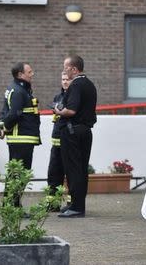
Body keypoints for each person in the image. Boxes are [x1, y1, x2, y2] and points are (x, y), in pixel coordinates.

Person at [54, 55, 97, 218]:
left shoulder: (76, 85)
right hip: (85, 131)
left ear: (74, 69)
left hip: (72, 132)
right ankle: (76, 204)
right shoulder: (90, 85)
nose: (64, 70)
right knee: (81, 169)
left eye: (66, 67)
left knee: (73, 169)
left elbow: (71, 110)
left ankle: (77, 207)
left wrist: (58, 111)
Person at [0, 62, 41, 207]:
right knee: (20, 174)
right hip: (22, 139)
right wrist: (5, 128)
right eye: (29, 72)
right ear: (20, 75)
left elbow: (4, 109)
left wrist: (1, 126)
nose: (32, 74)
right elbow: (14, 113)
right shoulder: (19, 91)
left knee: (16, 173)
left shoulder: (15, 89)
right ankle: (12, 206)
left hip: (21, 139)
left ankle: (11, 205)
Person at [47, 72, 71, 211]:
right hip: (56, 141)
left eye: (67, 79)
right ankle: (53, 204)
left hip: (68, 141)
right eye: (63, 79)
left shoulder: (73, 97)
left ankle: (71, 204)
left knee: (71, 175)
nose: (65, 82)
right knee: (54, 173)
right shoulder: (58, 97)